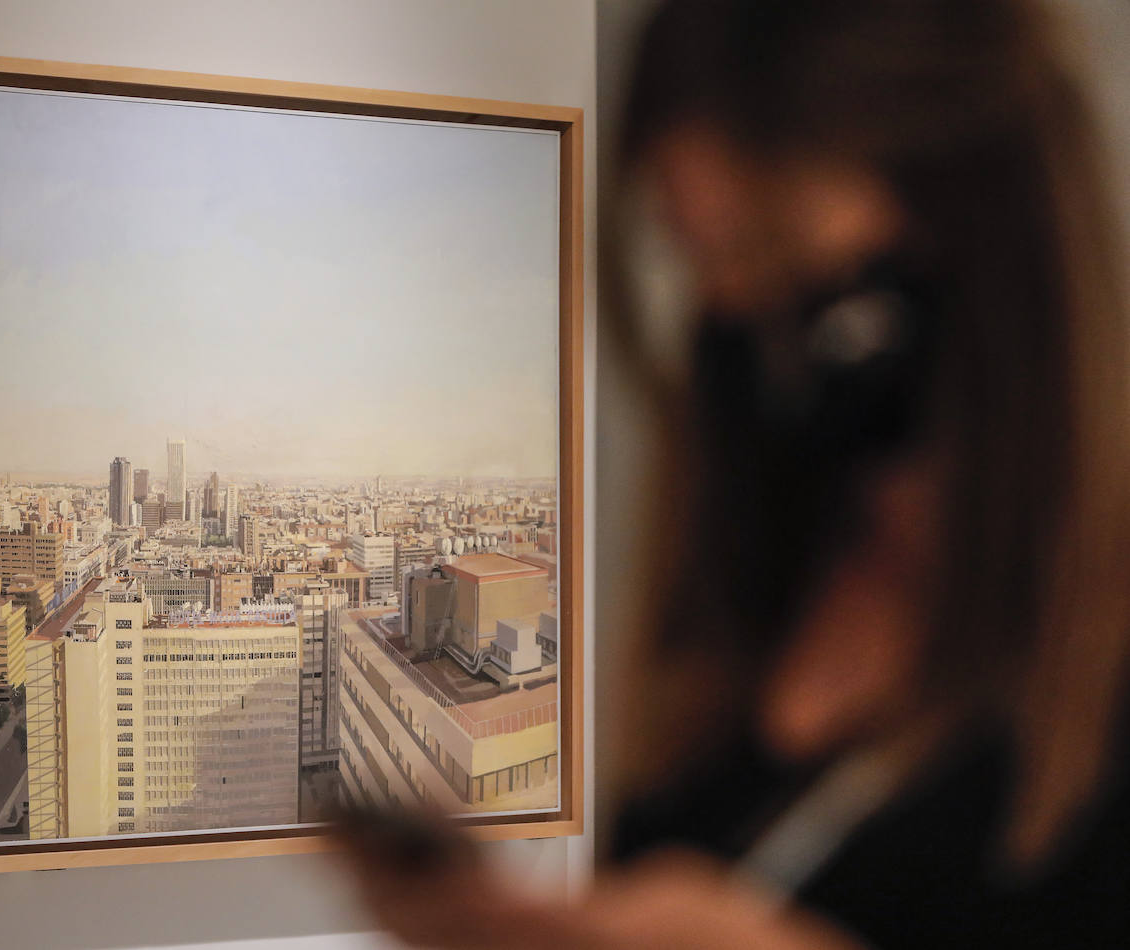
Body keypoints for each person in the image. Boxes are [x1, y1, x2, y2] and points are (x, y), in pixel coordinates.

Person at [335, 0, 1130, 946]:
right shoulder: (762, 575)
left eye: (784, 260)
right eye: (709, 272)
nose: (757, 344)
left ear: (987, 225)